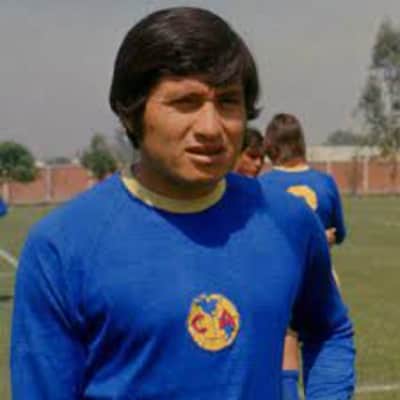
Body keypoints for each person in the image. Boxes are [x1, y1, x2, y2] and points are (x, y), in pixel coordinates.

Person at [11, 8, 355, 400]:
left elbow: (329, 329)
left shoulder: (288, 221)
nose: (210, 127)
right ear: (131, 112)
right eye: (186, 102)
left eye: (228, 102)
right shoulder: (62, 247)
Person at [261, 113, 348, 399]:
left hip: (278, 279)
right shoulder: (325, 182)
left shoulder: (263, 185)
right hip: (322, 278)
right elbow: (340, 232)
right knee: (325, 340)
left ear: (270, 145)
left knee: (284, 347)